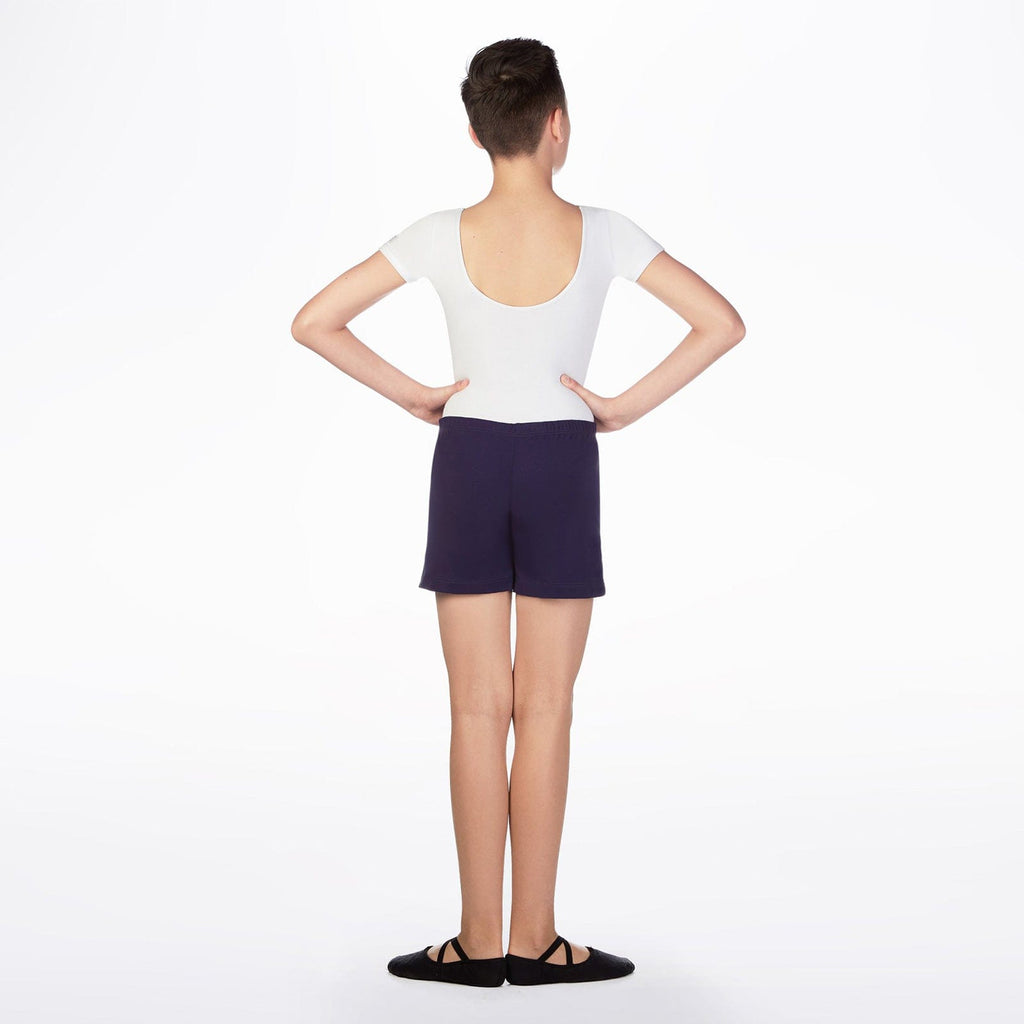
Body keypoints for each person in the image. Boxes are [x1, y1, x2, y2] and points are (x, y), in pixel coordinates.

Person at [291, 37, 745, 988]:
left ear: (474, 133)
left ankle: (476, 940)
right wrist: (621, 406)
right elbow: (721, 323)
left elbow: (314, 321)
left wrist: (416, 394)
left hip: (466, 458)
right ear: (558, 125)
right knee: (545, 708)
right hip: (560, 463)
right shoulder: (606, 231)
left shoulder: (435, 232)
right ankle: (536, 941)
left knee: (473, 709)